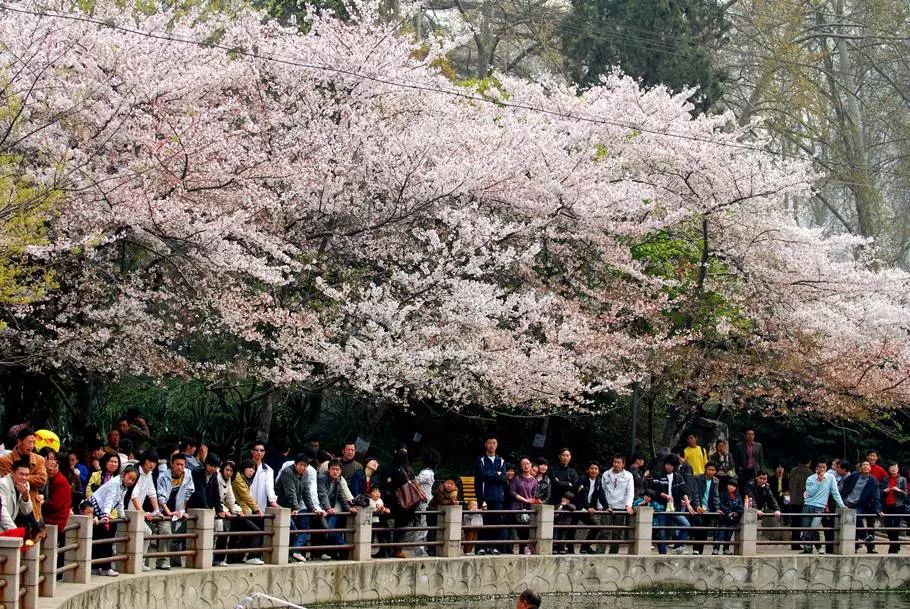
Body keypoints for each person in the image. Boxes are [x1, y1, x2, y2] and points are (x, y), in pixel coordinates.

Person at [88, 465, 139, 576]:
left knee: (103, 540)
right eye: (129, 478)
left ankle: (99, 567)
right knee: (104, 539)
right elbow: (109, 499)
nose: (130, 481)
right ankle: (104, 567)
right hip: (96, 508)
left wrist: (122, 515)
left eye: (133, 480)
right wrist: (106, 515)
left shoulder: (123, 486)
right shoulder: (115, 483)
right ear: (123, 475)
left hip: (103, 510)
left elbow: (120, 502)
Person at [154, 453, 195, 569]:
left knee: (176, 536)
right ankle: (162, 561)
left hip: (178, 510)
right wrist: (168, 512)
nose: (180, 467)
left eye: (182, 464)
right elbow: (160, 497)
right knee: (166, 532)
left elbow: (188, 493)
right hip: (164, 511)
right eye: (177, 464)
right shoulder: (163, 476)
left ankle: (174, 561)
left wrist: (182, 510)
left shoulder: (188, 474)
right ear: (172, 464)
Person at [0, 428, 47, 520]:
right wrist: (30, 478)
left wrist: (22, 476)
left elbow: (42, 480)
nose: (32, 446)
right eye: (29, 442)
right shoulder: (5, 460)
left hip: (32, 506)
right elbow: (11, 480)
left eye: (33, 442)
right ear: (19, 442)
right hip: (12, 504)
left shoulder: (39, 460)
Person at [276, 453, 313, 563]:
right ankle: (291, 553)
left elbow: (306, 492)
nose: (303, 468)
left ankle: (294, 552)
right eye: (301, 465)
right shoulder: (288, 472)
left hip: (293, 507)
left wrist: (312, 508)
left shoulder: (305, 474)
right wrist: (296, 507)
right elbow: (290, 492)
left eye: (305, 465)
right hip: (281, 506)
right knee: (292, 530)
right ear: (295, 464)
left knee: (304, 528)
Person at [801, 459, 844, 554]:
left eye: (824, 467)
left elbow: (835, 492)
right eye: (820, 467)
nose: (822, 469)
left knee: (814, 527)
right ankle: (807, 548)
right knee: (806, 528)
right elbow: (810, 493)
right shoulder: (810, 478)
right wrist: (818, 481)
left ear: (826, 468)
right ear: (816, 468)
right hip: (808, 504)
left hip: (820, 507)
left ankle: (819, 546)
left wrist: (842, 505)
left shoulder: (831, 478)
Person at [316, 459, 356, 560]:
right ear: (328, 470)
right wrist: (328, 508)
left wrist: (349, 508)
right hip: (318, 508)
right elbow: (322, 494)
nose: (335, 472)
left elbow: (341, 496)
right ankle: (343, 547)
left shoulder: (338, 480)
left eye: (337, 469)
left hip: (329, 509)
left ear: (340, 471)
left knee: (331, 528)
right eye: (333, 469)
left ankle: (339, 550)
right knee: (328, 528)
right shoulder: (322, 478)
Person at [651, 455, 691, 554]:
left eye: (671, 465)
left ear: (675, 466)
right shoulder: (658, 475)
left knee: (685, 525)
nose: (668, 467)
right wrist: (666, 496)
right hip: (662, 508)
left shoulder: (678, 477)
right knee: (661, 533)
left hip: (674, 508)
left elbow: (684, 491)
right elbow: (655, 491)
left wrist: (687, 503)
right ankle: (663, 555)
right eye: (667, 464)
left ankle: (677, 546)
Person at [841, 460, 883, 553]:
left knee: (858, 517)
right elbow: (845, 484)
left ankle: (866, 541)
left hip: (860, 503)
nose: (865, 466)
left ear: (870, 468)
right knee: (849, 522)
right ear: (861, 467)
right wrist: (843, 497)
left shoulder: (873, 480)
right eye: (863, 465)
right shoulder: (855, 475)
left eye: (867, 465)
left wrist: (878, 509)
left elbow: (876, 496)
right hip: (847, 501)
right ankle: (864, 538)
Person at [474, 436, 507, 555]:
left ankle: (495, 547)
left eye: (494, 443)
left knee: (497, 522)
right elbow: (482, 475)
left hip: (498, 496)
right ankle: (481, 547)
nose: (492, 445)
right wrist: (495, 474)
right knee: (484, 521)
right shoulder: (480, 459)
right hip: (484, 496)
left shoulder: (501, 460)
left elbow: (503, 478)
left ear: (497, 445)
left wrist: (494, 475)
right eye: (489, 443)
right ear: (485, 444)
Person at [232, 459, 265, 565]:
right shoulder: (238, 478)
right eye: (249, 468)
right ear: (243, 468)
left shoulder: (243, 479)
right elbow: (245, 496)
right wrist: (257, 508)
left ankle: (237, 558)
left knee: (244, 535)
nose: (252, 471)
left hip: (243, 512)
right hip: (238, 512)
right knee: (255, 531)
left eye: (253, 469)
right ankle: (252, 556)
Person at [601, 454, 634, 554]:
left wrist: (628, 505)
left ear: (623, 464)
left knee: (617, 532)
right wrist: (602, 505)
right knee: (604, 530)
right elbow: (602, 490)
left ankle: (613, 553)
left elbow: (630, 491)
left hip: (620, 506)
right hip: (608, 506)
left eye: (619, 462)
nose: (616, 464)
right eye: (615, 462)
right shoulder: (606, 474)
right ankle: (600, 552)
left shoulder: (628, 476)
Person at [213, 460, 243, 566]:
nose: (229, 473)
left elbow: (230, 498)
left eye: (231, 471)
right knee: (221, 533)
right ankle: (216, 559)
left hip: (219, 510)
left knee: (223, 533)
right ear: (222, 469)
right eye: (227, 470)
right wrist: (224, 510)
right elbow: (215, 498)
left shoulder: (228, 480)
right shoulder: (216, 478)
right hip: (213, 509)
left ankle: (219, 558)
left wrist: (237, 510)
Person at [575, 461, 607, 554]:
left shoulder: (598, 481)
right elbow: (582, 495)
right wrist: (588, 507)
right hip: (578, 507)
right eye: (592, 468)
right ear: (588, 470)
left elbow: (601, 495)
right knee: (572, 527)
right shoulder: (582, 479)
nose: (594, 470)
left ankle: (585, 546)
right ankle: (569, 548)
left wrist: (607, 507)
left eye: (596, 469)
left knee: (596, 527)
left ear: (598, 471)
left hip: (588, 509)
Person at [411, 449, 438, 557]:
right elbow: (415, 482)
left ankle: (421, 548)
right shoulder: (427, 473)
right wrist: (421, 493)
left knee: (424, 524)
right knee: (422, 524)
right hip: (423, 502)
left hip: (426, 501)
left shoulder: (427, 472)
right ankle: (419, 549)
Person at [509, 457, 539, 555]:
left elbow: (534, 495)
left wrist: (531, 500)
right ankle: (517, 548)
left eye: (527, 463)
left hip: (528, 508)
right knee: (518, 528)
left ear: (531, 465)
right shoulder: (516, 479)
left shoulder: (534, 481)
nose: (526, 466)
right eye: (523, 464)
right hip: (517, 506)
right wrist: (525, 499)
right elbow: (512, 492)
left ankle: (523, 548)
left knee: (526, 529)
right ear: (521, 467)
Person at [691, 461, 720, 555]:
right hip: (699, 507)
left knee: (705, 529)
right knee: (699, 527)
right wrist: (697, 506)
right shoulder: (698, 478)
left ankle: (700, 551)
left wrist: (717, 508)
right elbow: (695, 493)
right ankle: (696, 549)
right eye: (709, 469)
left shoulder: (716, 481)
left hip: (708, 508)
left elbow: (715, 496)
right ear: (706, 469)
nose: (711, 472)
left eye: (713, 470)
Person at [881, 463, 907, 554]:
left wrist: (898, 490)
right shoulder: (885, 479)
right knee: (887, 526)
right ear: (888, 469)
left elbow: (905, 494)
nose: (893, 469)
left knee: (896, 527)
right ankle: (895, 545)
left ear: (898, 469)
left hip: (898, 505)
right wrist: (884, 491)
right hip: (887, 505)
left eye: (895, 467)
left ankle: (892, 547)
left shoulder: (903, 479)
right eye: (891, 467)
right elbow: (881, 493)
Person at [788, 456, 813, 550]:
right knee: (805, 522)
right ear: (809, 462)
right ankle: (805, 543)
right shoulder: (809, 472)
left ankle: (795, 543)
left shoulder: (793, 470)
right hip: (804, 501)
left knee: (795, 522)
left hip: (793, 499)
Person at [248, 440, 279, 512]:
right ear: (252, 451)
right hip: (246, 506)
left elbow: (269, 487)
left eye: (262, 450)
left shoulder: (269, 470)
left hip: (261, 508)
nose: (259, 452)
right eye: (257, 450)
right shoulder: (244, 467)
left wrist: (272, 501)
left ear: (264, 452)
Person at [714, 478, 743, 555]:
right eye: (730, 485)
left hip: (733, 519)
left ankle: (726, 549)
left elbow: (740, 507)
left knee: (729, 535)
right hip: (723, 518)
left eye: (733, 486)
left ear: (736, 487)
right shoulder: (723, 494)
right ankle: (716, 549)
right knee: (720, 534)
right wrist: (728, 512)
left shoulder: (738, 496)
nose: (731, 487)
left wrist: (736, 512)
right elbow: (721, 505)